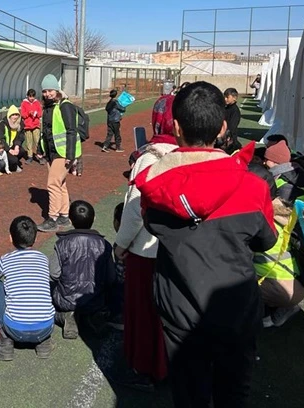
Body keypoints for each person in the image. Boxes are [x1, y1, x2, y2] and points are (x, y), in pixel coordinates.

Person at [134, 81, 277, 408]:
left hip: (181, 313)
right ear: (224, 126)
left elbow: (151, 225)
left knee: (189, 395)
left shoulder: (155, 185)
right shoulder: (252, 185)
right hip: (236, 309)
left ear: (177, 127)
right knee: (233, 394)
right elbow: (265, 241)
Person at [114, 93, 176, 383]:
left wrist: (121, 245)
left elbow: (136, 211)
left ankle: (145, 366)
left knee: (144, 311)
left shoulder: (150, 159)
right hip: (178, 251)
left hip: (146, 252)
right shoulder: (188, 157)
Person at [247, 163, 304, 328]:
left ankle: (261, 312)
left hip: (279, 287)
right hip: (301, 281)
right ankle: (284, 307)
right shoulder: (288, 210)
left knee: (230, 282)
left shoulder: (255, 218)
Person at [50, 201, 118, 339]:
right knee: (110, 291)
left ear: (70, 220)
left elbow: (53, 273)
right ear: (93, 219)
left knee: (49, 288)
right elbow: (111, 277)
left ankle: (66, 315)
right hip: (95, 299)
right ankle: (93, 316)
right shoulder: (104, 245)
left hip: (66, 300)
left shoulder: (62, 244)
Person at [0, 216, 55, 361]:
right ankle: (43, 343)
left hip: (14, 330)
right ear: (35, 238)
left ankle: (5, 339)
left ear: (11, 238)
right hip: (45, 329)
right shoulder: (43, 258)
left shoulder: (5, 259)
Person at [37, 74, 81, 232]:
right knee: (60, 184)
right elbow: (46, 130)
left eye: (50, 90)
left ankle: (53, 218)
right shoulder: (48, 107)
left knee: (53, 184)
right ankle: (64, 215)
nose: (47, 94)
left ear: (56, 89)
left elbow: (71, 131)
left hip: (62, 152)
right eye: (44, 91)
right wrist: (40, 148)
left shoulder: (65, 105)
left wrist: (71, 155)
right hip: (52, 152)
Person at [263, 140, 304, 242]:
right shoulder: (293, 174)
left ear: (275, 161)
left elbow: (282, 211)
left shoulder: (287, 184)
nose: (264, 162)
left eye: (266, 159)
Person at [0, 105, 27, 172]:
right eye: (13, 115)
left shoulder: (20, 124)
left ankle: (11, 163)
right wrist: (9, 150)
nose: (15, 117)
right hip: (3, 147)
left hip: (13, 145)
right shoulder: (3, 124)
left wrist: (17, 146)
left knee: (21, 151)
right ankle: (11, 165)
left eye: (16, 115)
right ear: (9, 116)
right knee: (13, 160)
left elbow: (21, 136)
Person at [21, 89, 43, 164]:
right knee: (29, 142)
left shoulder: (37, 103)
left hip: (36, 125)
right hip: (27, 126)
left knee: (37, 141)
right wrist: (28, 113)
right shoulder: (24, 103)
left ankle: (39, 156)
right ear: (27, 96)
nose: (32, 98)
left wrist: (36, 114)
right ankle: (30, 157)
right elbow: (23, 114)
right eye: (30, 96)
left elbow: (40, 113)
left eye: (33, 96)